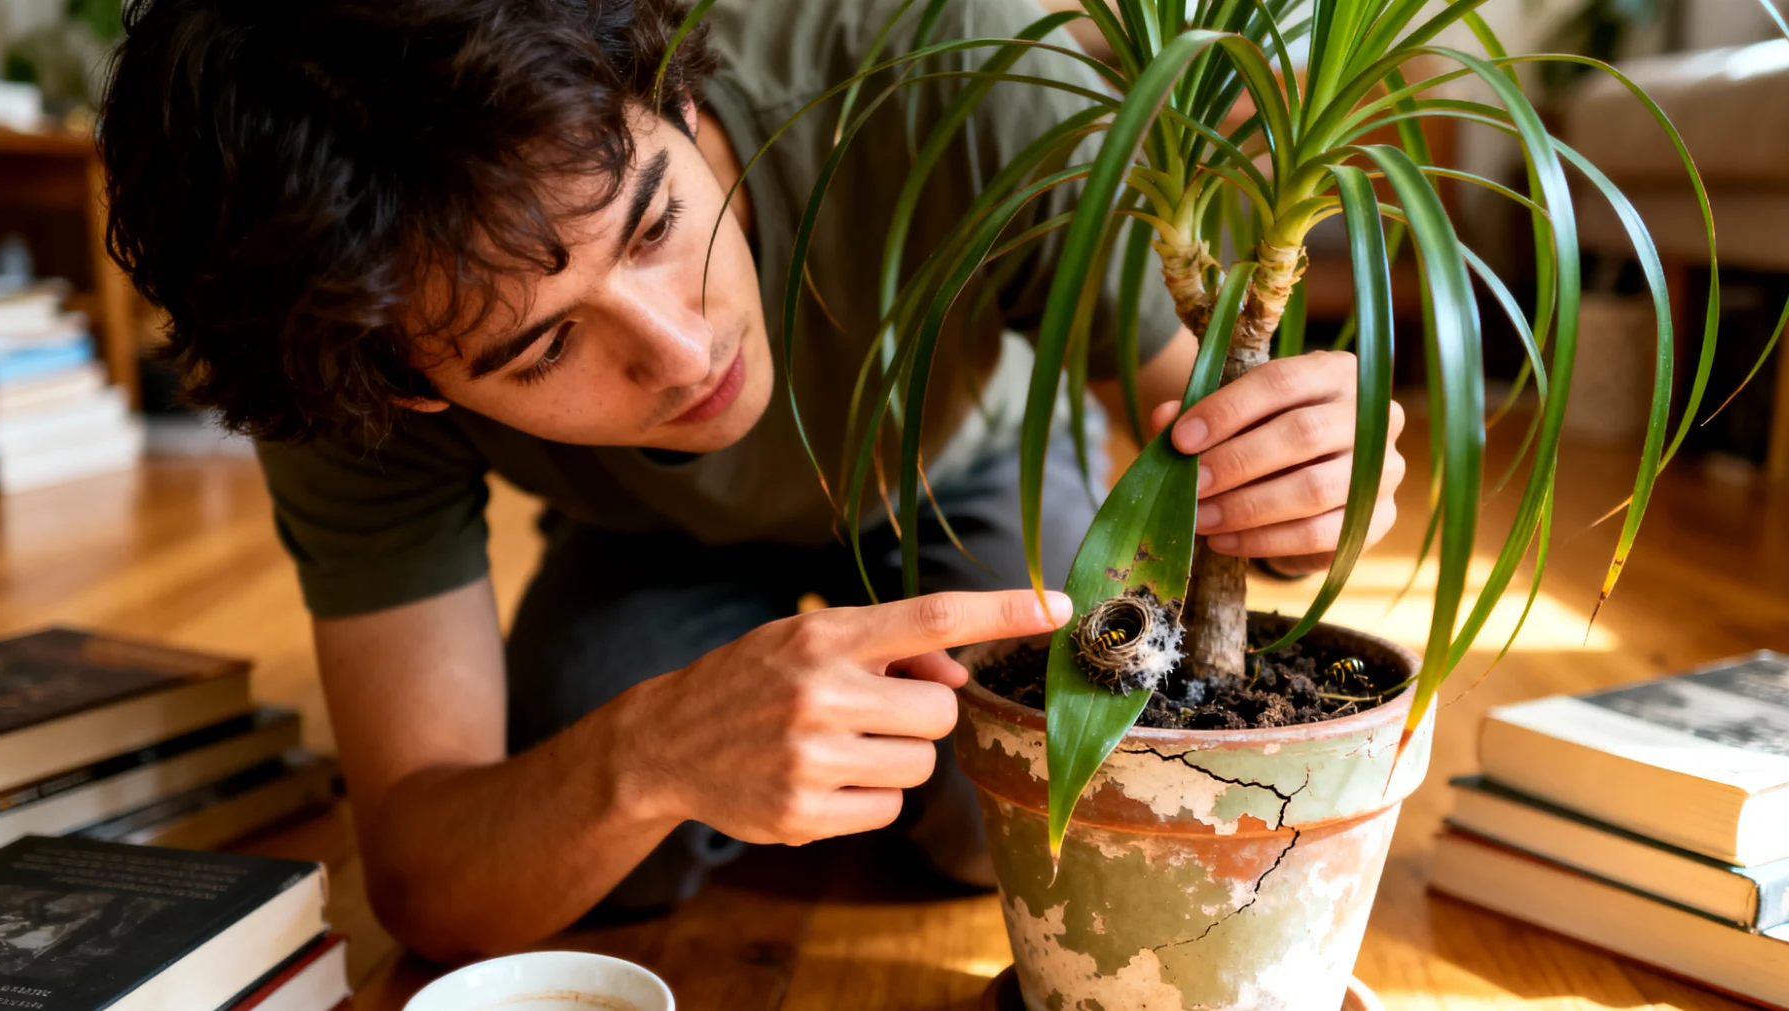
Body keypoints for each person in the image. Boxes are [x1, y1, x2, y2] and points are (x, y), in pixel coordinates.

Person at [98, 0, 1406, 961]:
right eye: (545, 347)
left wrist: (1308, 483)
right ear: (404, 388)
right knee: (587, 785)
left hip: (961, 464)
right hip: (643, 533)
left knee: (1026, 783)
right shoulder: (346, 323)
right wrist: (649, 755)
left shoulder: (950, 71)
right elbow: (427, 875)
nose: (684, 353)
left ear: (674, 94)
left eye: (659, 223)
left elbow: (1231, 473)